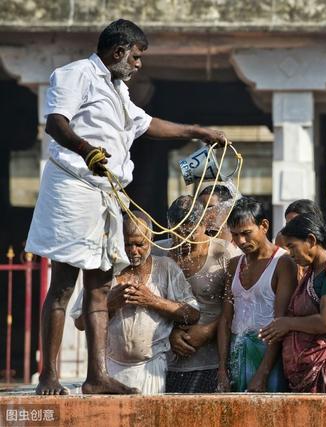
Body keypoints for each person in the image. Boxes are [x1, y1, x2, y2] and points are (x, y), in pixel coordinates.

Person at [25, 19, 227, 395]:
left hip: (107, 192)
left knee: (100, 286)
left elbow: (148, 124)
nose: (138, 64)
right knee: (64, 285)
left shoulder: (118, 91)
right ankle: (48, 376)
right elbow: (55, 123)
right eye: (135, 57)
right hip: (74, 187)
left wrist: (197, 131)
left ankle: (96, 376)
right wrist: (87, 151)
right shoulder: (76, 74)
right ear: (118, 52)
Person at [72, 211, 200, 394]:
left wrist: (152, 300)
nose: (133, 250)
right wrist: (108, 305)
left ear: (152, 238)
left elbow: (193, 313)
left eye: (140, 244)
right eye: (127, 244)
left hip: (152, 367)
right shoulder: (104, 270)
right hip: (109, 368)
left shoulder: (165, 268)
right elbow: (80, 323)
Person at [260, 213, 326, 393]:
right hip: (305, 369)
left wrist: (287, 323)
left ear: (311, 240)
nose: (291, 254)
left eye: (292, 247)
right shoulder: (314, 271)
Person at [152, 196, 241, 393]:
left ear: (204, 225)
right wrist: (170, 335)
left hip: (210, 363)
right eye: (176, 234)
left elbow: (242, 304)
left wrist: (209, 330)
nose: (182, 241)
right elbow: (147, 303)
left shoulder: (226, 253)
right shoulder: (157, 252)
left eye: (190, 234)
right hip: (164, 361)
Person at [217, 197, 297, 392]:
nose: (240, 241)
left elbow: (280, 322)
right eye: (235, 235)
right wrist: (221, 367)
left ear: (264, 226)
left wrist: (263, 374)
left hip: (269, 356)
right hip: (236, 353)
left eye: (246, 233)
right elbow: (226, 319)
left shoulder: (284, 263)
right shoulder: (234, 264)